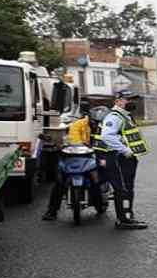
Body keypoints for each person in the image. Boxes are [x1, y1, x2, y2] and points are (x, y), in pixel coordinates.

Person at [41, 102, 105, 220]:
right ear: (89, 118)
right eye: (94, 122)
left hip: (95, 156)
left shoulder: (107, 126)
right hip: (78, 156)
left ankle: (100, 203)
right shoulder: (77, 125)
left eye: (98, 123)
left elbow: (108, 141)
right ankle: (51, 211)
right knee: (59, 183)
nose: (96, 125)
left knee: (97, 181)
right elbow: (74, 142)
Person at [101, 89, 150, 230]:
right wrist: (125, 150)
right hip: (118, 158)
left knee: (127, 187)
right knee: (122, 188)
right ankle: (123, 220)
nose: (132, 102)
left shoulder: (125, 116)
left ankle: (127, 216)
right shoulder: (114, 116)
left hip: (126, 159)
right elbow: (107, 136)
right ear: (118, 101)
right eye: (128, 99)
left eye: (134, 99)